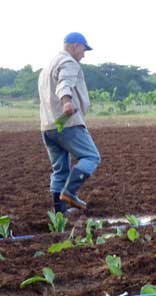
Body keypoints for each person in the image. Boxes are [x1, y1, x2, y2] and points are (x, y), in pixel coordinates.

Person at [38, 32, 101, 214]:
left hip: (48, 126)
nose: (83, 54)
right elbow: (64, 83)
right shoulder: (68, 62)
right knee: (91, 157)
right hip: (67, 123)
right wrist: (67, 101)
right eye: (83, 49)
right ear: (75, 46)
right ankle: (70, 192)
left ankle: (60, 212)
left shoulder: (47, 67)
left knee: (60, 170)